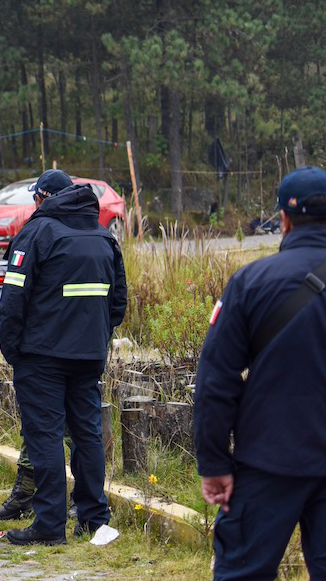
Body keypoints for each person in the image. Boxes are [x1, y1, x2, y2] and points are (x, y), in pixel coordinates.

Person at [194, 165, 326, 580]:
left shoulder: (251, 282)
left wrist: (214, 462)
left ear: (283, 220)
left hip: (268, 462)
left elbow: (217, 379)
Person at [0, 169, 127, 545]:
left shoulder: (38, 232)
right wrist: (94, 335)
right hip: (88, 355)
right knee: (87, 435)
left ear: (43, 197)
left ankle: (49, 525)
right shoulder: (104, 235)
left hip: (42, 356)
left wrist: (12, 347)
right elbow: (118, 302)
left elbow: (14, 297)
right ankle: (93, 517)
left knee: (46, 436)